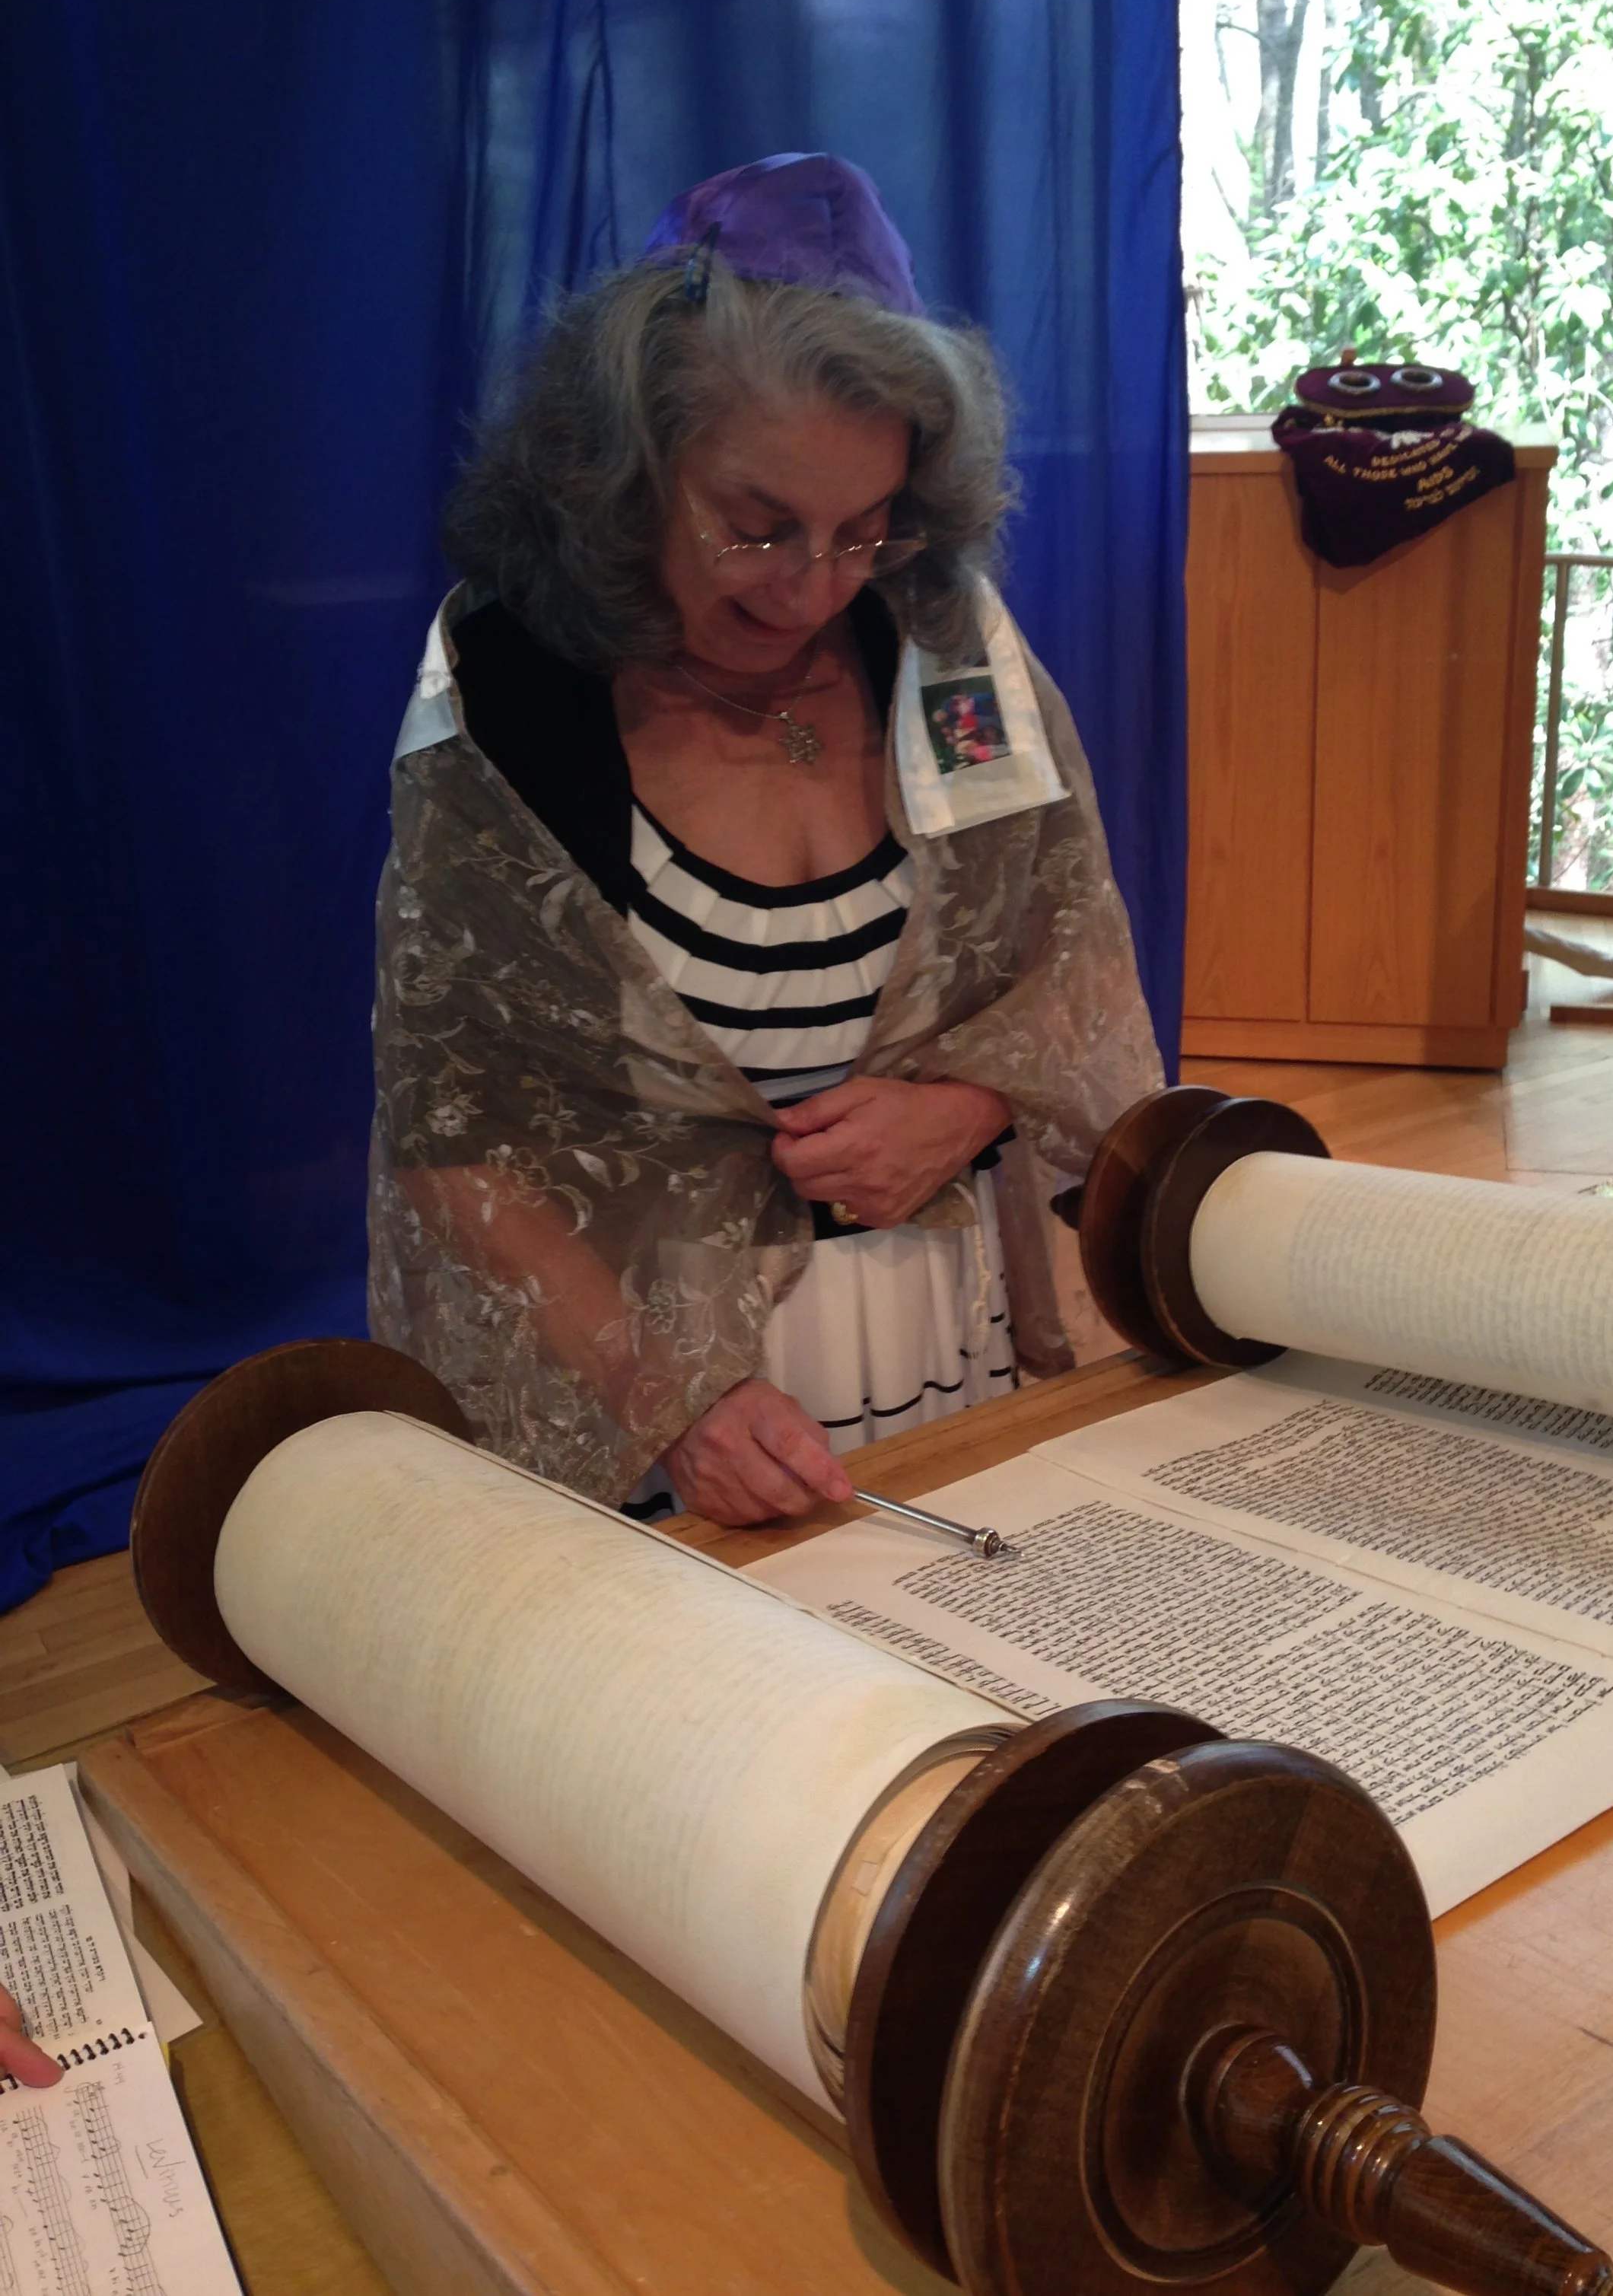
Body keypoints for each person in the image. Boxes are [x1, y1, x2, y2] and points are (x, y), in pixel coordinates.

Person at [372, 154, 1161, 1527]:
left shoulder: (943, 640)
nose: (811, 588)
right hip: (653, 1388)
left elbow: (1070, 963)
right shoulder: (508, 683)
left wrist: (967, 1107)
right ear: (630, 468)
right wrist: (676, 1399)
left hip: (938, 1331)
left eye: (863, 530)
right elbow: (456, 1129)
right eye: (756, 529)